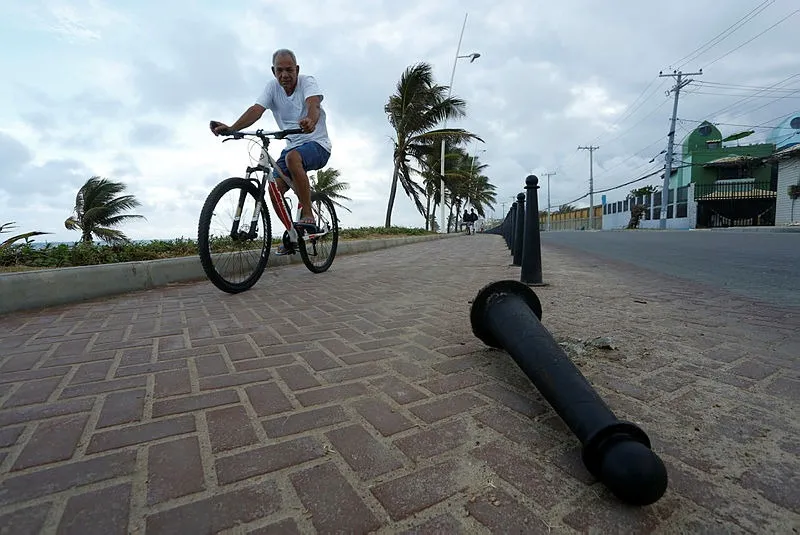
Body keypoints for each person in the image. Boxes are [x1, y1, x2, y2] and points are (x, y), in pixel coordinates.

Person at [210, 48, 332, 254]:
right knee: (273, 189)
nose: (285, 75)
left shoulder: (307, 82)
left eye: (289, 70)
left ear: (297, 69)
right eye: (279, 71)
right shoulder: (272, 88)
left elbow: (314, 105)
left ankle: (308, 216)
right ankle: (293, 235)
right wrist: (232, 128)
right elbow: (256, 110)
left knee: (294, 158)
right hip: (292, 146)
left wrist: (311, 120)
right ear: (273, 71)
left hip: (317, 144)